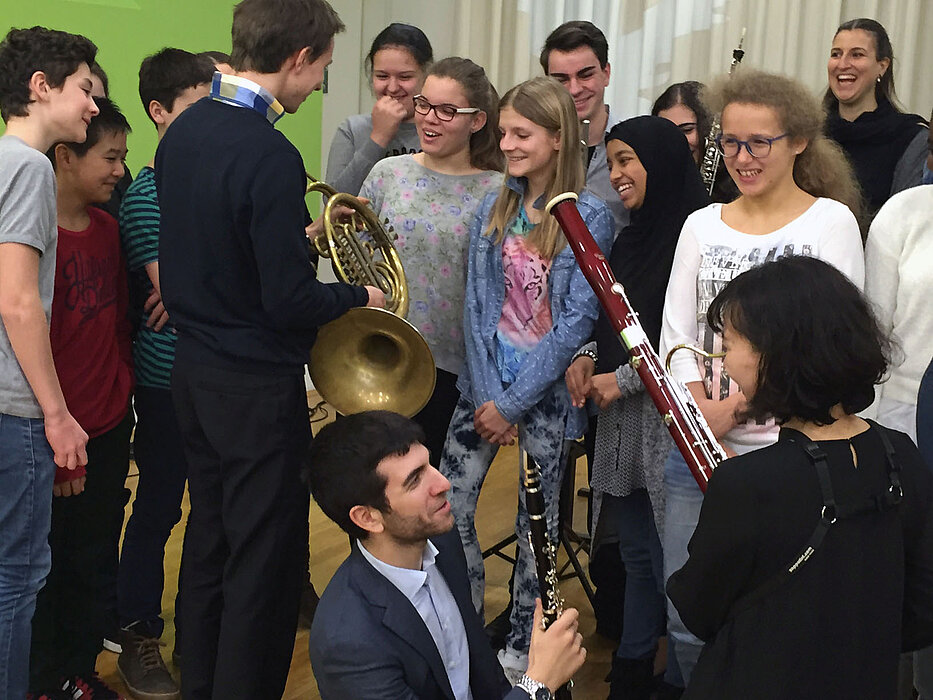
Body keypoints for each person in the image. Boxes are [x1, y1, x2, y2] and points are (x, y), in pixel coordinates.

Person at [154, 1, 385, 697]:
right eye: (322, 70)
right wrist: (360, 297)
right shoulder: (270, 152)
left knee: (210, 537)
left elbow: (222, 251)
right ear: (298, 58)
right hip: (253, 385)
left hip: (193, 372)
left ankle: (200, 683)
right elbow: (288, 302)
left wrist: (297, 240)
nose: (318, 84)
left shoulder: (186, 129)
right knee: (264, 558)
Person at [658, 68, 865, 687]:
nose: (741, 158)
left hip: (790, 457)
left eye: (759, 143)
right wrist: (700, 415)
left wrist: (732, 411)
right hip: (697, 450)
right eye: (730, 142)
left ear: (798, 141)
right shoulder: (701, 224)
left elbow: (831, 345)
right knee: (687, 618)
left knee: (776, 616)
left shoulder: (830, 222)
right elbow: (676, 336)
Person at [667, 255, 933, 698]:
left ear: (774, 353)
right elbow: (922, 605)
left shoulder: (746, 482)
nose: (724, 364)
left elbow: (697, 610)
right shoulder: (901, 455)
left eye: (729, 345)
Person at [439, 75, 613, 683]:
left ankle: (521, 649)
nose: (507, 144)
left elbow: (575, 323)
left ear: (558, 137)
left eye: (522, 134)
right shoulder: (496, 204)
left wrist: (512, 404)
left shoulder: (588, 215)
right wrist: (490, 396)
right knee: (447, 505)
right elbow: (475, 306)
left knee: (534, 528)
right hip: (483, 388)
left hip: (544, 399)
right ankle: (463, 633)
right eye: (505, 132)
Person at [564, 116, 709, 699]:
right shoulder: (629, 238)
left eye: (628, 161)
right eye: (612, 161)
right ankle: (633, 660)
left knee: (670, 555)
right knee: (634, 554)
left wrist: (621, 379)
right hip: (621, 417)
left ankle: (672, 676)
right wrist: (585, 356)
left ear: (662, 163)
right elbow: (612, 320)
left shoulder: (693, 238)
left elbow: (683, 339)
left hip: (665, 417)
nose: (617, 174)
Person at [307, 410, 586, 700]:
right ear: (368, 518)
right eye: (415, 480)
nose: (442, 483)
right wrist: (538, 683)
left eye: (428, 465)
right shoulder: (347, 641)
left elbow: (483, 669)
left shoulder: (443, 541)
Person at [115, 47, 215, 700]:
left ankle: (198, 632)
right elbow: (182, 296)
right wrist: (190, 291)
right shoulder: (147, 195)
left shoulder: (209, 184)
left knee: (212, 510)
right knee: (158, 506)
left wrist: (193, 290)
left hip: (215, 373)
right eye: (196, 109)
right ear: (158, 111)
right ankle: (137, 631)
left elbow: (199, 292)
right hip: (165, 380)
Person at [0, 26, 95, 700]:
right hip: (13, 410)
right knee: (17, 578)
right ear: (41, 86)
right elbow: (18, 301)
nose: (93, 104)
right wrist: (57, 416)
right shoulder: (30, 167)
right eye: (85, 89)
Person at [29, 96, 134, 700]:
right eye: (110, 158)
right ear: (66, 157)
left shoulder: (108, 230)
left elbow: (116, 322)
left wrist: (120, 385)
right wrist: (61, 435)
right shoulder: (34, 237)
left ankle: (78, 671)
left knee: (93, 560)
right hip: (54, 435)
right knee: (50, 566)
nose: (120, 170)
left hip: (108, 426)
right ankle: (44, 679)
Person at [359, 56, 503, 465]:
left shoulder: (496, 191)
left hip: (448, 363)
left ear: (477, 121)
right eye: (424, 104)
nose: (429, 118)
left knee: (428, 475)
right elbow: (358, 257)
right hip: (378, 353)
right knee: (367, 475)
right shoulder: (388, 172)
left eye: (447, 111)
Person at [824, 18, 929, 218]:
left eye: (857, 54)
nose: (843, 64)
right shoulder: (807, 134)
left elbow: (905, 220)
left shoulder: (912, 139)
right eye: (836, 54)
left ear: (882, 66)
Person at [540, 20, 628, 236]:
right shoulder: (533, 149)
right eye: (561, 79)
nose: (574, 89)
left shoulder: (635, 145)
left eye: (585, 75)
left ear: (606, 73)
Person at [326, 23, 433, 195]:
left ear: (426, 76)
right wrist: (378, 137)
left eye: (405, 77)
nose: (392, 88)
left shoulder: (439, 128)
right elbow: (334, 199)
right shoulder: (352, 129)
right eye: (382, 76)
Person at [652, 81, 739, 204]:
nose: (677, 141)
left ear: (710, 129)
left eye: (687, 130)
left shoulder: (740, 184)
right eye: (667, 132)